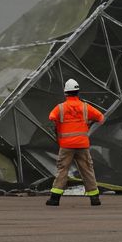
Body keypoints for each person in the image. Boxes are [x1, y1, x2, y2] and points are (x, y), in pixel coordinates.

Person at [46, 78, 106, 206]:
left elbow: (51, 118)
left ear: (65, 93)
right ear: (78, 92)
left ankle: (55, 199)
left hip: (66, 145)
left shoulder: (60, 108)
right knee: (87, 170)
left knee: (62, 170)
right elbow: (101, 118)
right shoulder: (85, 107)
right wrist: (89, 122)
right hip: (82, 145)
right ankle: (95, 198)